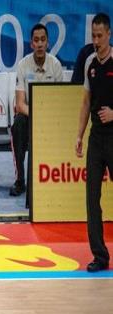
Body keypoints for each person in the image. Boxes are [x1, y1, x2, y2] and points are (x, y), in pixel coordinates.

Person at [76, 12, 113, 273]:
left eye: (100, 36)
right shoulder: (90, 62)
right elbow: (86, 102)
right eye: (93, 36)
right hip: (96, 138)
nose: (96, 41)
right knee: (92, 198)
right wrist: (79, 135)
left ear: (109, 34)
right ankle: (100, 255)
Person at [10, 23, 63, 196]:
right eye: (36, 40)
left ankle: (53, 177)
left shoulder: (55, 65)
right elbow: (20, 104)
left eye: (43, 40)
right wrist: (37, 115)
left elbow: (60, 101)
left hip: (50, 117)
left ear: (47, 43)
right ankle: (20, 181)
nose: (39, 44)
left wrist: (46, 116)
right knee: (18, 125)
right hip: (29, 115)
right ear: (31, 44)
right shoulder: (23, 65)